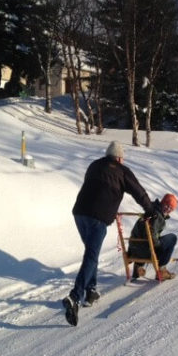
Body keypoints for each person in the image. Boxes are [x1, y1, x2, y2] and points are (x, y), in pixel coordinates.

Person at [63, 140, 154, 326]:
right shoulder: (122, 170)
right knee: (91, 256)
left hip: (79, 213)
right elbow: (138, 191)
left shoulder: (94, 165)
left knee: (91, 253)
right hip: (97, 217)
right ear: (120, 157)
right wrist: (150, 209)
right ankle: (75, 297)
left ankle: (92, 290)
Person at [128, 193, 178, 281]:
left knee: (149, 241)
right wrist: (159, 246)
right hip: (146, 250)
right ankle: (162, 270)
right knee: (172, 238)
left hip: (134, 249)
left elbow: (138, 233)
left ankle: (138, 267)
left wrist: (130, 251)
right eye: (167, 205)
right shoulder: (157, 215)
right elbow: (151, 235)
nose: (168, 209)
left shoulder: (149, 211)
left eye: (171, 208)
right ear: (162, 202)